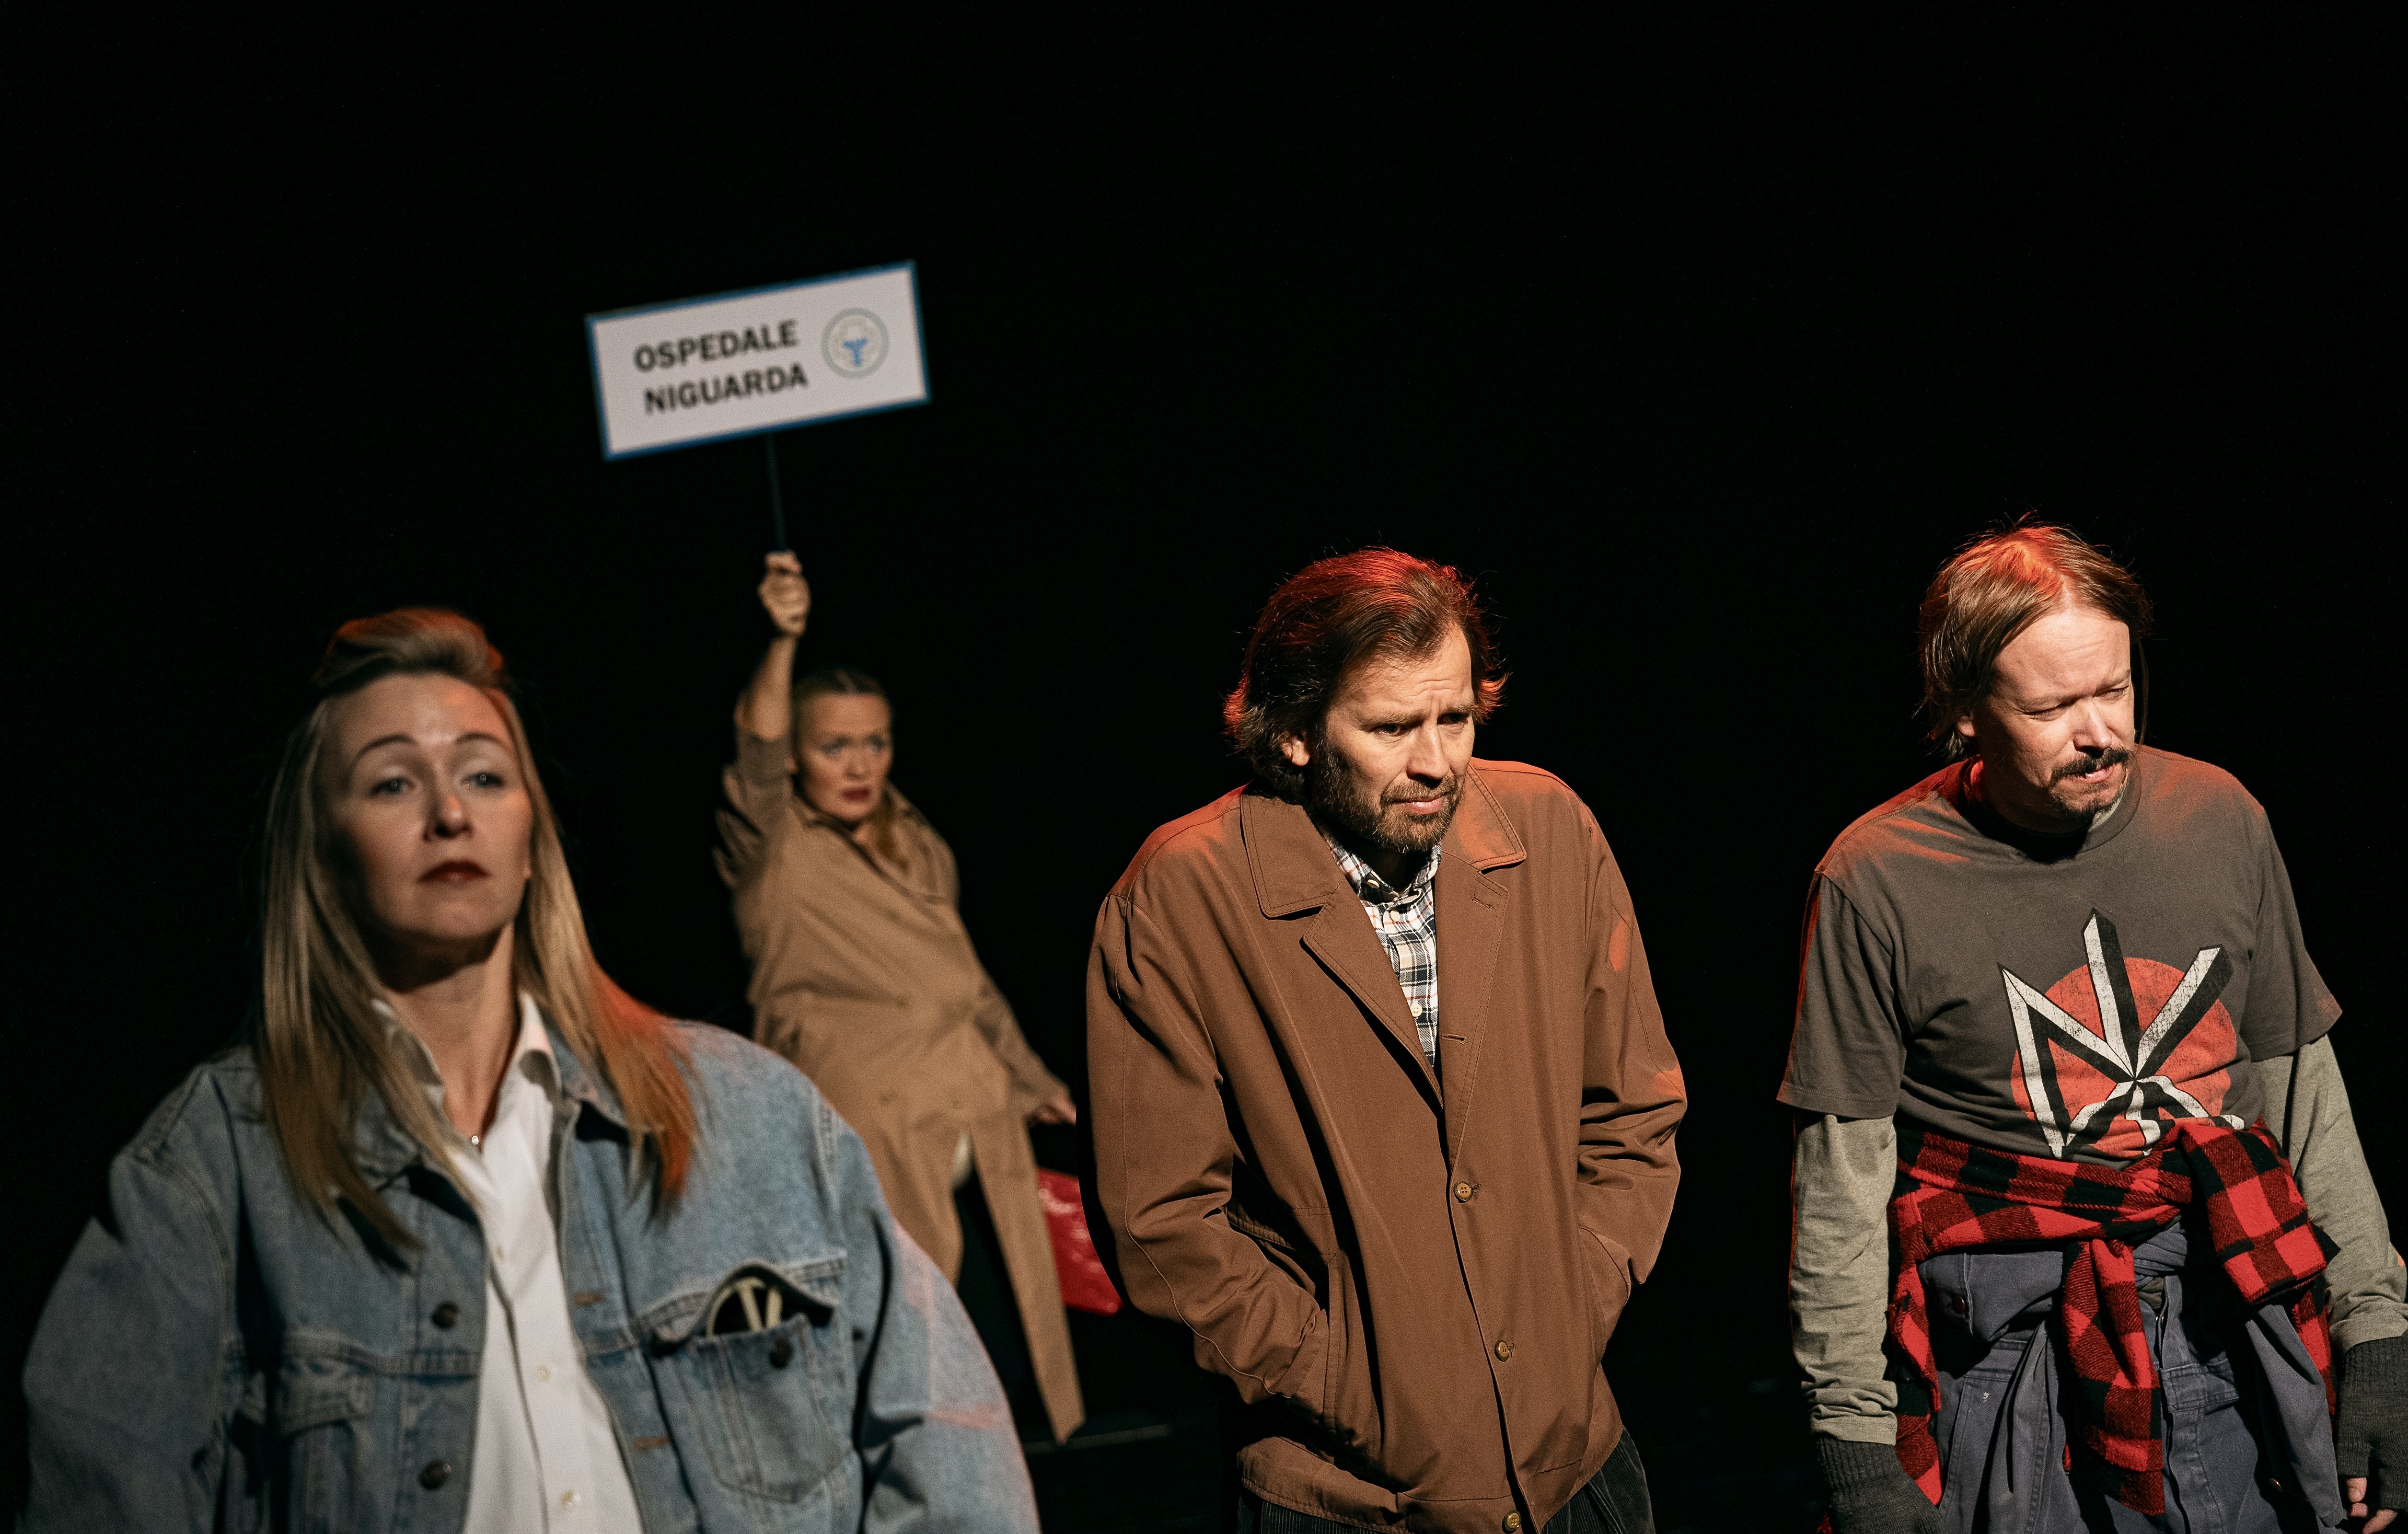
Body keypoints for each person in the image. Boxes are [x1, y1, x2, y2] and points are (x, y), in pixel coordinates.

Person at [22, 608, 1035, 1534]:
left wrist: (1026, 1071)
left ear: (534, 837)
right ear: (322, 854)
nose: (449, 814)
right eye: (392, 782)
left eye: (483, 775)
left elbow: (952, 1451)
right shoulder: (216, 1169)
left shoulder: (753, 1115)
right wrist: (780, 639)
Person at [1782, 524, 2404, 1534]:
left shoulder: (2219, 817)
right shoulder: (1876, 878)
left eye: (2113, 690)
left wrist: (2378, 1336)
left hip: (2232, 1320)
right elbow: (1841, 1183)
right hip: (2011, 1361)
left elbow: (2304, 1090)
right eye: (2051, 707)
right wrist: (1852, 1442)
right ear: (1964, 711)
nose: (2100, 732)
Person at [1086, 549, 1686, 1533]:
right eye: (1392, 728)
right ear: (1293, 734)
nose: (1437, 762)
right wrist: (1343, 1380)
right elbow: (1162, 1225)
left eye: (1456, 718)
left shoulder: (1547, 828)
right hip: (1348, 1499)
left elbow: (1634, 1110)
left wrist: (1571, 1309)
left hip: (1573, 1470)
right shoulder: (1180, 898)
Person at [716, 551, 1085, 1444]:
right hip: (873, 1132)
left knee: (1010, 1361)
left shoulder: (914, 839)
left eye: (874, 743)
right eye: (833, 746)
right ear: (797, 754)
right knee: (912, 1365)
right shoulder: (772, 847)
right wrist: (782, 641)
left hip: (971, 1116)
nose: (859, 764)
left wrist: (1030, 1077)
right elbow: (754, 750)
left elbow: (965, 980)